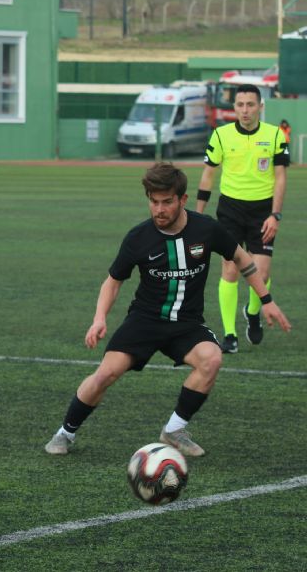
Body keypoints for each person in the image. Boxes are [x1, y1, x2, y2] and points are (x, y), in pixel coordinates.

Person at [45, 163, 290, 458]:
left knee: (212, 359)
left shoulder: (207, 229)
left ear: (182, 200)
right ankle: (65, 433)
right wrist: (99, 319)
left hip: (187, 324)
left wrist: (267, 300)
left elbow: (242, 258)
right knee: (105, 374)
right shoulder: (138, 237)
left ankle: (173, 430)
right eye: (153, 201)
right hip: (145, 321)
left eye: (167, 202)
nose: (159, 209)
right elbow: (113, 281)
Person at [195, 84, 289, 354]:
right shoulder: (221, 135)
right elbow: (208, 175)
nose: (245, 110)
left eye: (250, 104)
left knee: (262, 273)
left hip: (263, 212)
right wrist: (199, 215)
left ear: (261, 106)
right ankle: (230, 335)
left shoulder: (275, 135)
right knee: (229, 270)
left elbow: (281, 177)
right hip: (230, 210)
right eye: (240, 105)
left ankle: (253, 311)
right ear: (234, 107)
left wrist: (275, 214)